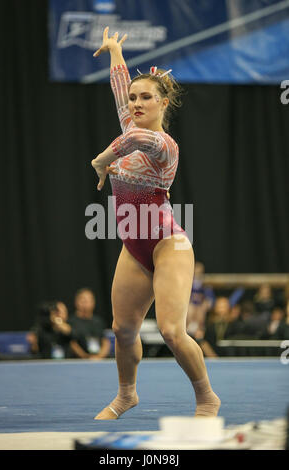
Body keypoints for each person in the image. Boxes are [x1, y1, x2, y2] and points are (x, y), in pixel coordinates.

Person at [91, 27, 220, 420]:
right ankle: (126, 394)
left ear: (163, 103)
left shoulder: (164, 145)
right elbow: (118, 86)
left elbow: (133, 141)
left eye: (145, 97)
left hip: (168, 244)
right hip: (134, 246)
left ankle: (207, 398)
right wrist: (115, 50)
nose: (135, 103)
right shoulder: (130, 123)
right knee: (122, 329)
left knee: (171, 331)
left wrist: (100, 161)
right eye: (132, 98)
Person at [68, 288, 111, 360]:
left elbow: (105, 341)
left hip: (98, 360)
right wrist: (85, 357)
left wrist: (99, 356)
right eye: (83, 300)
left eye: (89, 301)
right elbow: (72, 343)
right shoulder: (71, 321)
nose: (86, 303)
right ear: (76, 302)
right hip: (79, 360)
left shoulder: (98, 321)